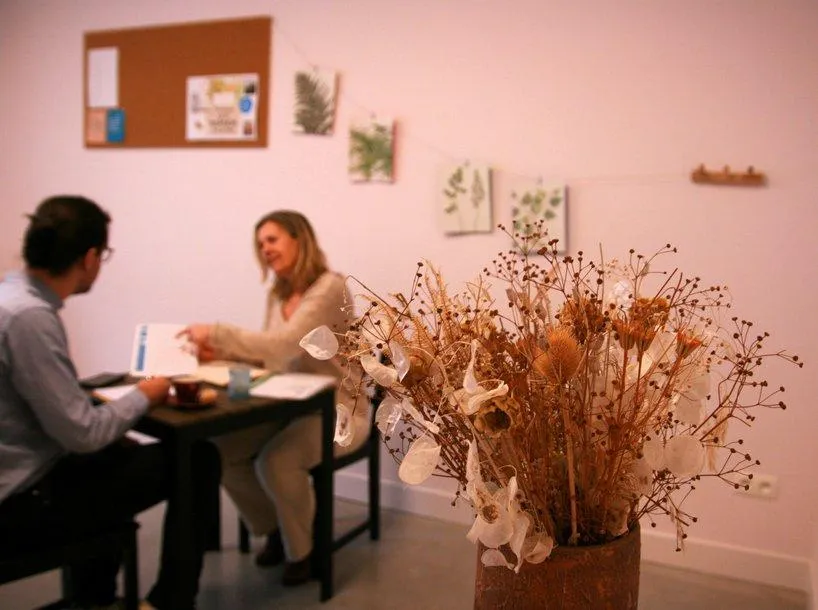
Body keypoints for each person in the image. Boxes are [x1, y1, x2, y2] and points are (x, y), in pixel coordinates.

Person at [0, 195, 221, 610]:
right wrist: (147, 393)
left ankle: (95, 596)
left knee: (115, 453)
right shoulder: (30, 319)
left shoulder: (10, 297)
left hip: (20, 474)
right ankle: (170, 602)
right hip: (19, 502)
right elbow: (83, 434)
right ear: (89, 258)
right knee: (198, 459)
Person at [180, 210, 370, 586]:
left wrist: (216, 332)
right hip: (290, 405)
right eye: (260, 243)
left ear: (299, 239)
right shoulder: (278, 294)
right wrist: (216, 355)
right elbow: (273, 355)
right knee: (222, 452)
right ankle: (277, 530)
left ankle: (304, 553)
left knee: (277, 461)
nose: (264, 249)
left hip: (340, 411)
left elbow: (287, 342)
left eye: (272, 239)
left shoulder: (329, 288)